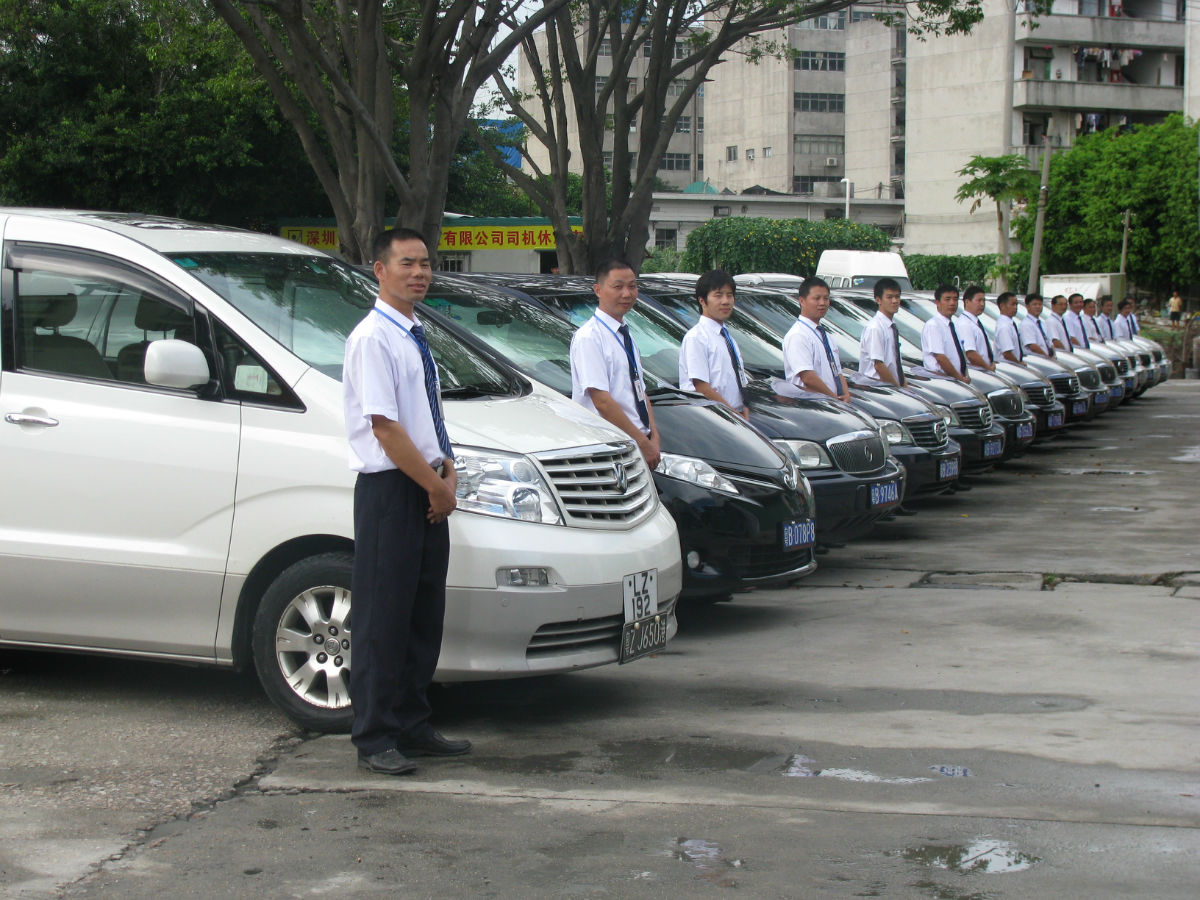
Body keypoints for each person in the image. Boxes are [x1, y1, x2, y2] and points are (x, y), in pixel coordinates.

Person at [342, 227, 471, 776]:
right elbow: (386, 429)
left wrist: (447, 466)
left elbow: (420, 421)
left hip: (426, 481)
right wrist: (434, 485)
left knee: (423, 613)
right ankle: (374, 735)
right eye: (407, 264)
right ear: (379, 269)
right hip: (394, 489)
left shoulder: (414, 333)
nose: (419, 273)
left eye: (425, 264)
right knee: (383, 617)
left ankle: (413, 723)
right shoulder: (373, 338)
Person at [570, 259, 662, 468]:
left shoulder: (625, 333)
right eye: (618, 287)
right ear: (598, 290)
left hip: (636, 443)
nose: (627, 294)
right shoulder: (590, 337)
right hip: (608, 448)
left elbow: (640, 390)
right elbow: (601, 400)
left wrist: (653, 435)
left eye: (632, 286)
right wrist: (641, 442)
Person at [678, 269, 749, 419]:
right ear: (702, 300)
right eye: (718, 295)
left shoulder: (727, 337)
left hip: (735, 416)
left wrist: (745, 410)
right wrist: (734, 416)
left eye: (729, 295)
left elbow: (740, 380)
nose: (726, 301)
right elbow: (702, 387)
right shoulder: (697, 337)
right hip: (713, 418)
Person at [782, 276, 852, 401]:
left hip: (832, 404)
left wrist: (845, 395)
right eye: (817, 298)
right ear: (802, 301)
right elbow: (807, 377)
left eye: (826, 298)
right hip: (811, 406)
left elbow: (837, 371)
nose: (822, 303)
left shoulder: (825, 335)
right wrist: (834, 398)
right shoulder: (798, 335)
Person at [857, 276, 907, 386]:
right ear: (878, 300)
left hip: (892, 387)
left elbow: (895, 363)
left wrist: (905, 386)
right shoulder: (875, 327)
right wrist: (897, 388)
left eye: (897, 297)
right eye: (889, 297)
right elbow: (878, 365)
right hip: (878, 388)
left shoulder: (891, 326)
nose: (895, 301)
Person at [920, 284, 971, 384]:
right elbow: (940, 358)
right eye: (947, 299)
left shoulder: (952, 326)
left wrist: (965, 375)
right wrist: (960, 378)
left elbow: (960, 355)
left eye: (955, 299)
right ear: (937, 302)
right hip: (942, 381)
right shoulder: (933, 325)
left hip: (956, 380)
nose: (952, 303)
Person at [957, 285, 996, 370]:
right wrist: (988, 368)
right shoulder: (965, 324)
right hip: (977, 372)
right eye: (979, 300)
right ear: (967, 302)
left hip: (985, 370)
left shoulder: (975, 322)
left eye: (983, 301)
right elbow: (971, 354)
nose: (982, 304)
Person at [1019, 293, 1056, 358]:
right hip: (1037, 359)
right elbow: (1032, 346)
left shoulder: (1042, 324)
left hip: (1048, 359)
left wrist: (1054, 355)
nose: (1038, 307)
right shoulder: (1026, 324)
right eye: (1034, 304)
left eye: (1040, 304)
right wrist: (1047, 357)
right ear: (1027, 306)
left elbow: (1050, 342)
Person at [993, 292, 1024, 362]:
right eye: (1013, 304)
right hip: (1008, 365)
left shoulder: (1010, 324)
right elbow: (1007, 353)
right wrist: (1019, 363)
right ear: (1002, 306)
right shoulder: (1004, 326)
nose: (1016, 307)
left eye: (1016, 304)